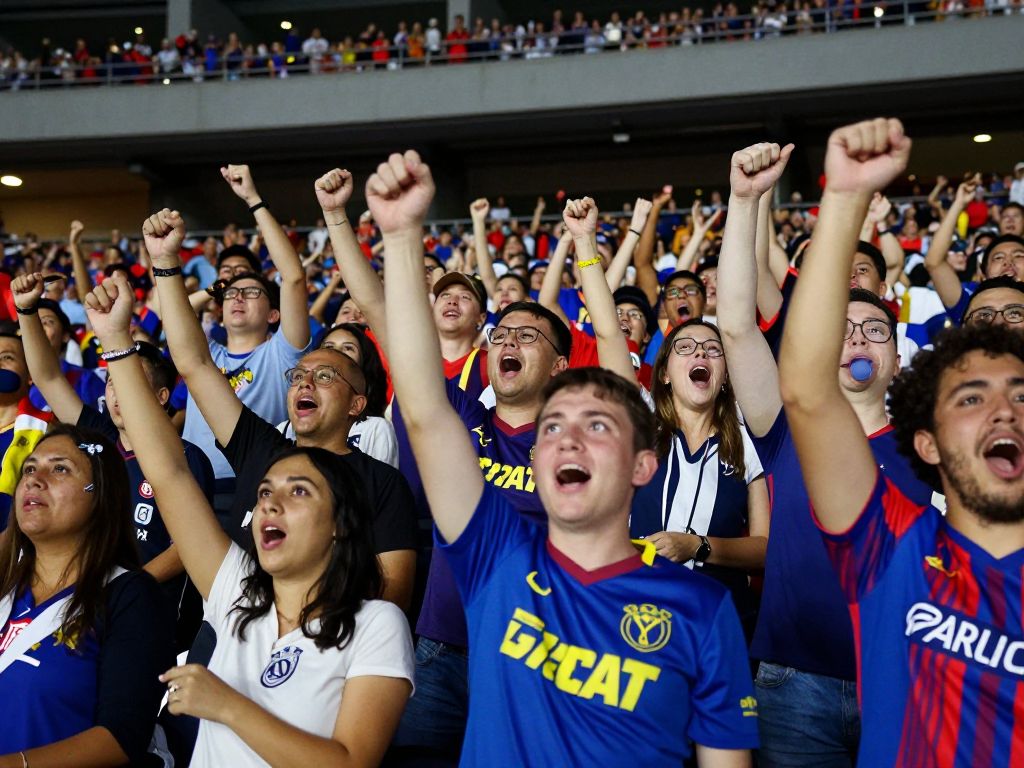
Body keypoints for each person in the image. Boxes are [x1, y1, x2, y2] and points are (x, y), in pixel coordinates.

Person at [373, 148, 759, 767]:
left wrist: (587, 247)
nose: (568, 438)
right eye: (552, 427)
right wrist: (398, 236)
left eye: (596, 424)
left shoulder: (700, 610)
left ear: (642, 464)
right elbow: (421, 405)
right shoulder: (493, 559)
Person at [82, 272, 414, 767]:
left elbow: (350, 762)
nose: (269, 505)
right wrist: (115, 342)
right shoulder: (236, 588)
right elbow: (170, 474)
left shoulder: (374, 622)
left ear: (341, 523)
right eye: (263, 493)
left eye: (298, 491)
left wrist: (227, 705)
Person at [779, 118, 1024, 766]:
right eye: (970, 397)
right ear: (928, 444)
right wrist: (843, 200)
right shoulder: (891, 548)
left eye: (1023, 395)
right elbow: (806, 389)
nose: (1003, 409)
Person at [716, 135, 934, 767]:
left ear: (896, 357)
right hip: (793, 683)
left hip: (904, 676)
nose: (858, 339)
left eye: (875, 331)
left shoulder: (934, 447)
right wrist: (744, 200)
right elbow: (734, 322)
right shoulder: (786, 423)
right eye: (840, 329)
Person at [139, 210, 417, 609]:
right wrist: (165, 263)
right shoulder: (261, 448)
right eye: (299, 376)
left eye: (324, 377)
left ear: (358, 404)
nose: (304, 382)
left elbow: (393, 596)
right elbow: (194, 364)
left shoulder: (382, 482)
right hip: (229, 642)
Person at [12, 270, 215, 649]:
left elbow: (186, 548)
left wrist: (123, 587)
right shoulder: (98, 440)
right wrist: (26, 310)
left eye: (131, 382)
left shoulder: (186, 458)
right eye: (111, 381)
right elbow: (48, 377)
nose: (118, 391)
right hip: (84, 606)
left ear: (160, 396)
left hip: (152, 615)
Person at [0, 423, 172, 765]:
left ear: (102, 494)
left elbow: (121, 739)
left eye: (60, 468)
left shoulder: (132, 597)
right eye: (30, 468)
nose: (34, 479)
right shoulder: (5, 584)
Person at [161, 165, 311, 519]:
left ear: (274, 314)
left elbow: (292, 278)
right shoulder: (203, 355)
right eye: (230, 294)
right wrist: (169, 261)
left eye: (251, 291)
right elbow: (171, 312)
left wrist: (253, 200)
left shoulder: (282, 353)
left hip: (255, 485)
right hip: (192, 486)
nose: (237, 297)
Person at [630, 319, 769, 638]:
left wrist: (697, 546)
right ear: (664, 374)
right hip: (635, 617)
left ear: (725, 378)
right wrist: (587, 264)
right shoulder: (639, 432)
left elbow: (764, 548)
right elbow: (608, 335)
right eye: (685, 347)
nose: (700, 354)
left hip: (718, 627)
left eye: (712, 349)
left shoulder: (748, 444)